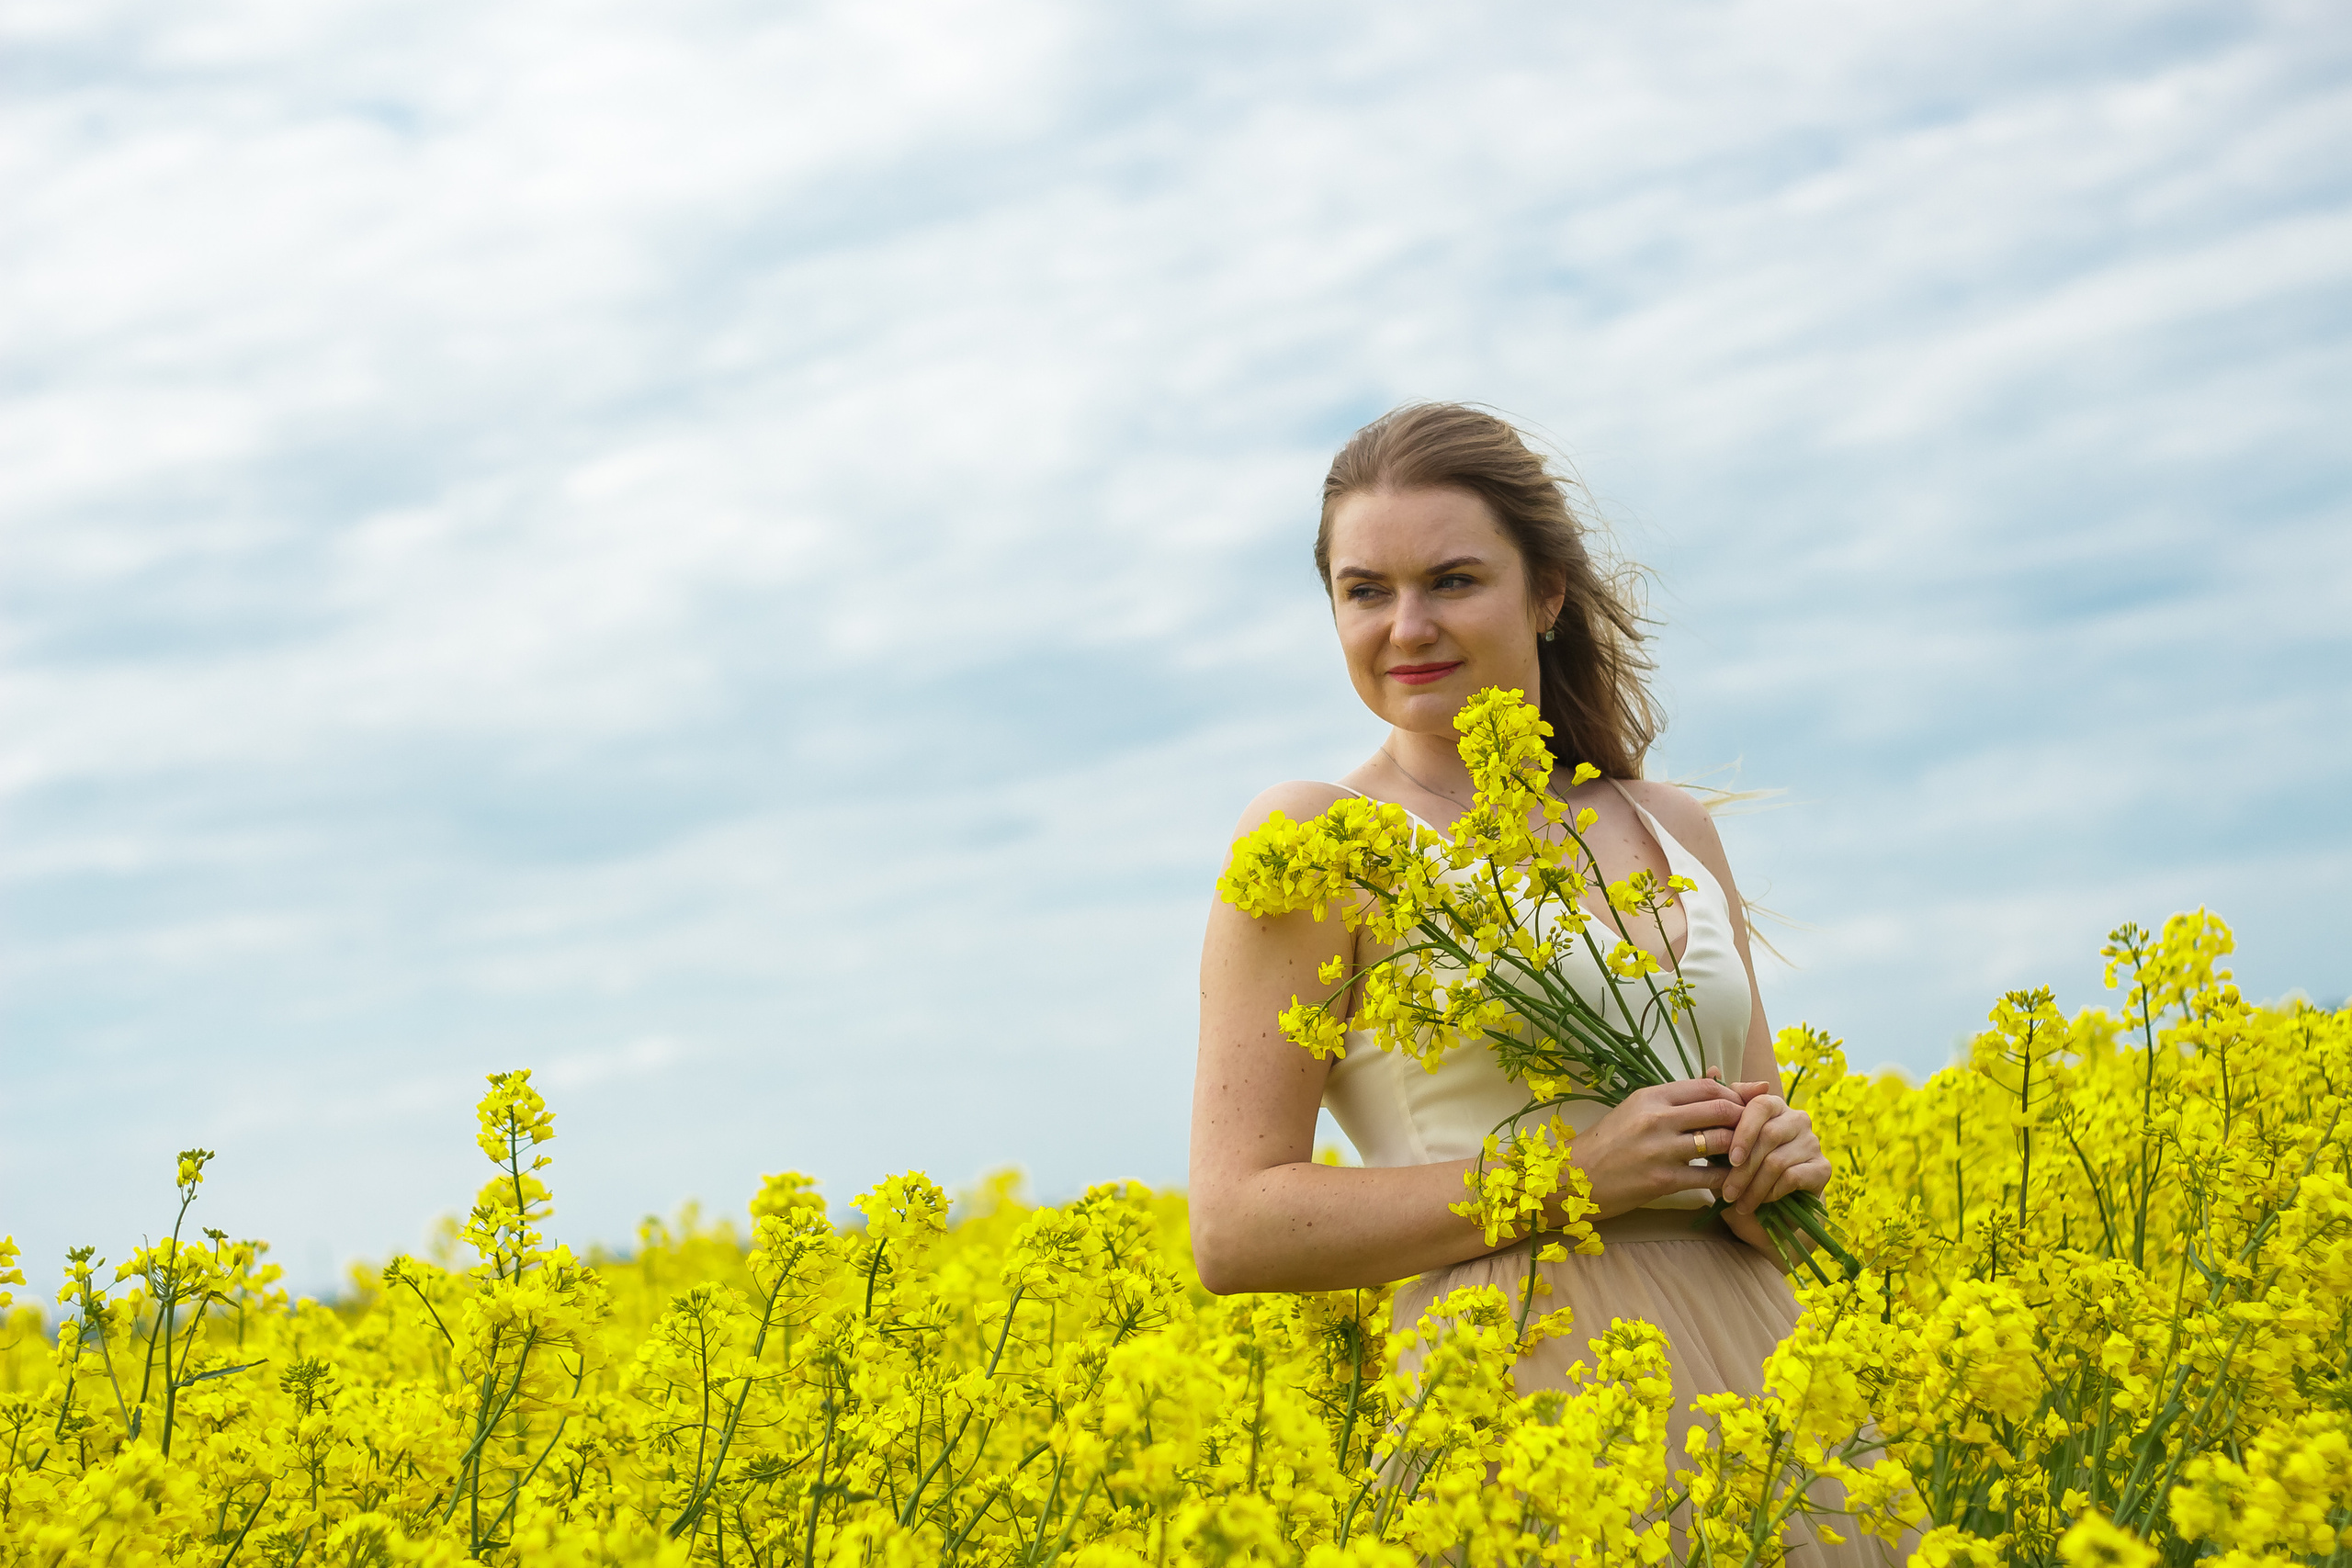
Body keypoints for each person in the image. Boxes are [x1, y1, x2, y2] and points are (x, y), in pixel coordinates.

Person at [1189, 402, 1877, 1563]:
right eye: (1365, 591)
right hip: (1510, 1388)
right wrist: (1564, 1181)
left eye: (1452, 580)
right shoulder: (1314, 839)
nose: (1406, 626)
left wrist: (1776, 1170)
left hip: (1760, 1373)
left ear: (1545, 594)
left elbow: (1745, 1139)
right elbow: (1236, 1226)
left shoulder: (1671, 826)